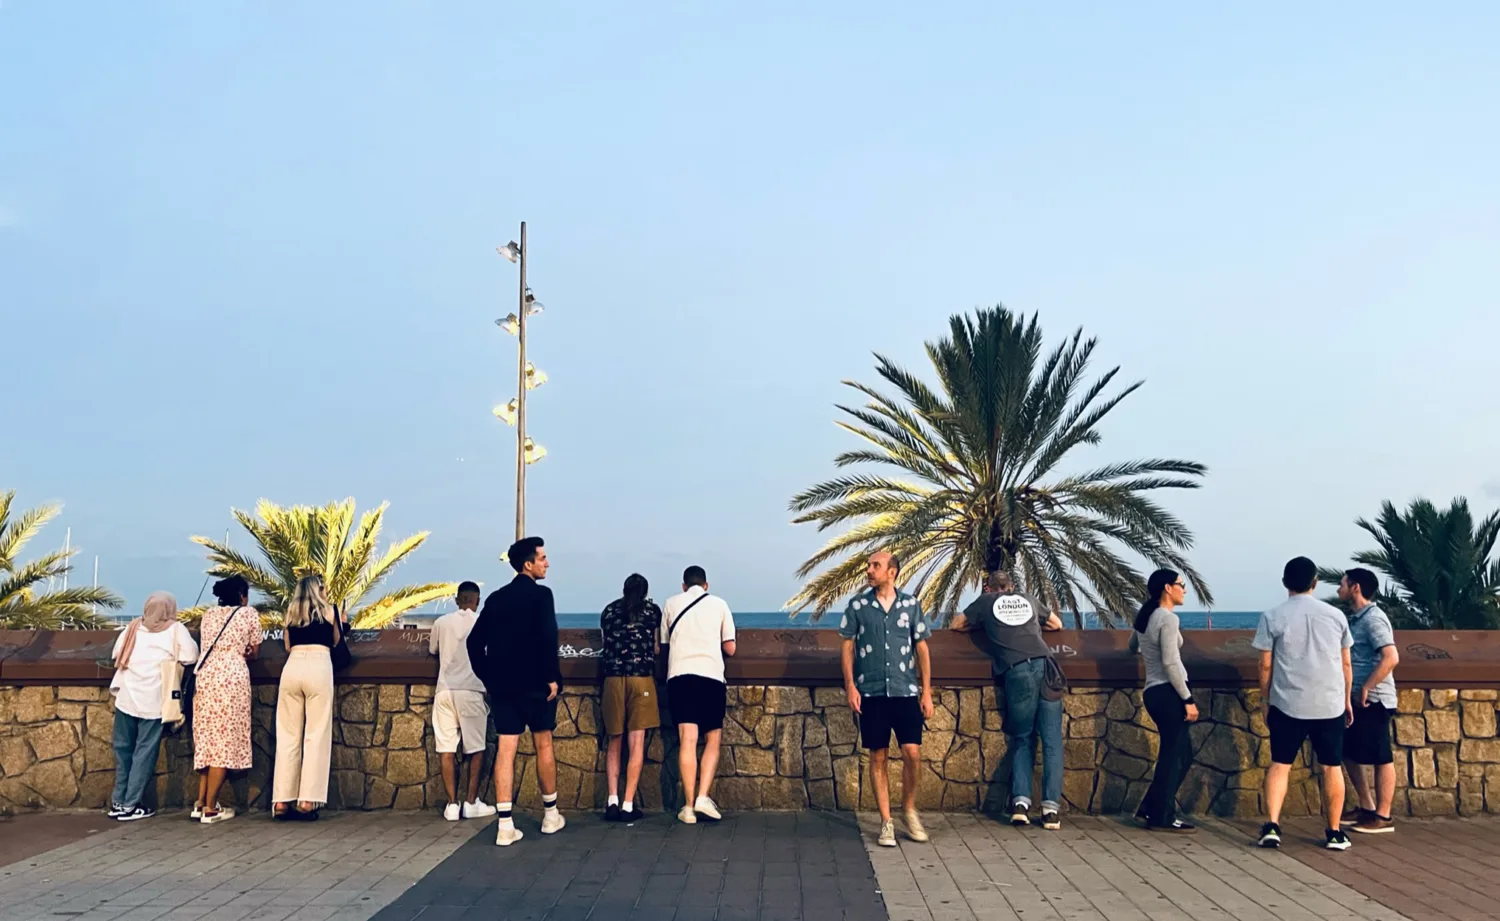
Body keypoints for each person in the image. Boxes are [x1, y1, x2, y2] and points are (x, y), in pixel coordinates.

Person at [468, 537, 565, 846]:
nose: (547, 563)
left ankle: (505, 825)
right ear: (528, 564)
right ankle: (550, 815)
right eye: (543, 558)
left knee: (506, 749)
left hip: (504, 687)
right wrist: (552, 677)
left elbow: (473, 643)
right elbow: (548, 636)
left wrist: (488, 676)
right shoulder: (542, 596)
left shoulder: (495, 599)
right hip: (535, 684)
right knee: (544, 745)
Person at [1254, 556, 1355, 851]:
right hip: (1329, 704)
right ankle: (1334, 832)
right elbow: (1346, 664)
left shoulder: (1272, 617)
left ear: (1286, 583)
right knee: (1331, 767)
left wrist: (1265, 699)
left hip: (1288, 703)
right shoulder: (1336, 616)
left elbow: (1264, 665)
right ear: (1315, 583)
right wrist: (1346, 699)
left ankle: (1272, 825)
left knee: (1280, 764)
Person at [952, 571, 1063, 830]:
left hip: (1017, 670)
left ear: (988, 588)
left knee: (1023, 737)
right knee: (1051, 741)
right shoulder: (1028, 598)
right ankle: (1050, 811)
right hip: (1047, 667)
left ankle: (1020, 805)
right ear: (1011, 586)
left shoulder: (986, 602)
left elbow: (956, 624)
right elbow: (1056, 624)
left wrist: (984, 624)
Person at [842, 551, 933, 847]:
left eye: (875, 566)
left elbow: (921, 649)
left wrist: (927, 691)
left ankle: (908, 808)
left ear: (892, 572)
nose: (869, 570)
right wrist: (851, 687)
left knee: (912, 754)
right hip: (871, 692)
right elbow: (847, 648)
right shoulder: (858, 606)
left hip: (905, 691)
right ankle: (886, 822)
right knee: (878, 756)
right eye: (869, 565)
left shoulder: (911, 605)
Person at [108, 591, 199, 821]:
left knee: (123, 750)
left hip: (126, 699)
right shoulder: (176, 630)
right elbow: (190, 655)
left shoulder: (132, 627)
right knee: (143, 754)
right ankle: (131, 804)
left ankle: (118, 801)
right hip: (153, 702)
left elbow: (116, 653)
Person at [660, 565, 736, 825]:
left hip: (680, 676)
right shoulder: (719, 604)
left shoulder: (670, 604)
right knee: (712, 738)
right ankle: (703, 796)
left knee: (687, 740)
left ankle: (689, 807)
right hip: (711, 675)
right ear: (706, 585)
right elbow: (731, 647)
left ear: (683, 585)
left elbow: (664, 645)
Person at [1129, 569, 1199, 833]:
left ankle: (1151, 807)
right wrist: (1188, 699)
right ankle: (1162, 816)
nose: (1184, 590)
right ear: (1168, 588)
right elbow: (1170, 661)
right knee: (1176, 756)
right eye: (1182, 585)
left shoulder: (1146, 616)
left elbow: (1131, 646)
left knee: (1178, 753)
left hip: (1153, 692)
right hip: (1169, 692)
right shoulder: (1167, 619)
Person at [272, 574, 344, 820]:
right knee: (316, 734)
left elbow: (288, 646)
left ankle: (281, 801)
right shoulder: (330, 611)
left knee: (288, 735)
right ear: (318, 590)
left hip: (292, 668)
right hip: (319, 665)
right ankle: (306, 801)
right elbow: (336, 641)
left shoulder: (291, 612)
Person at [190, 576, 261, 825]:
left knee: (208, 737)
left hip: (206, 675)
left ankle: (200, 802)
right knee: (224, 741)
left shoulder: (209, 615)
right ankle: (211, 808)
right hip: (232, 678)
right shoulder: (248, 614)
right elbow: (254, 650)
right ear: (242, 595)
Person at [1339, 567, 1399, 834]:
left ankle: (1383, 817)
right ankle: (1366, 807)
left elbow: (1391, 656)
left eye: (1343, 584)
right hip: (1356, 698)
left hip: (1374, 699)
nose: (1339, 589)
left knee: (1381, 756)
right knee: (1348, 752)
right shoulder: (1355, 619)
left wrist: (1367, 687)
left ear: (1355, 587)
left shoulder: (1374, 618)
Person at [429, 581, 495, 822]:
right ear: (477, 601)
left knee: (446, 749)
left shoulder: (441, 622)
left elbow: (433, 650)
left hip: (445, 690)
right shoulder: (482, 623)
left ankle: (451, 804)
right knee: (476, 748)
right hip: (471, 689)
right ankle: (471, 801)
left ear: (457, 600)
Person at [600, 573, 662, 823]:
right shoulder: (651, 611)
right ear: (645, 592)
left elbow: (605, 643)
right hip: (641, 678)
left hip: (613, 679)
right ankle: (628, 804)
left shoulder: (609, 611)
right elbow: (657, 647)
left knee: (614, 740)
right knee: (636, 743)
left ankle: (611, 800)